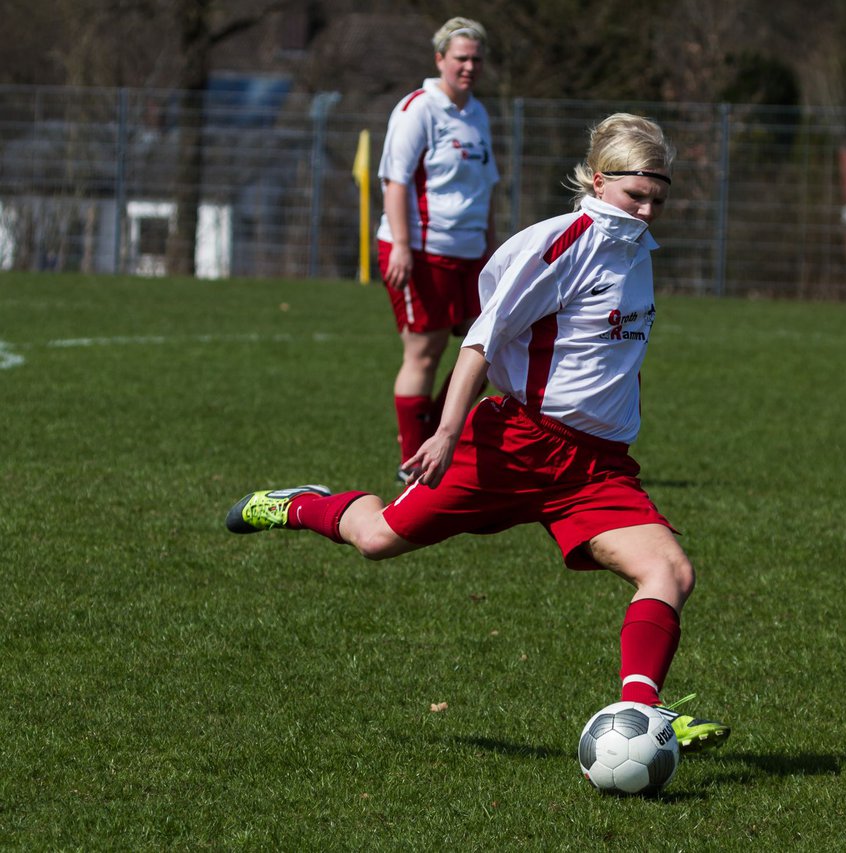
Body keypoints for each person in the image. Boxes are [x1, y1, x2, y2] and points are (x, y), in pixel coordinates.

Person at [226, 113, 730, 753]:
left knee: (669, 571)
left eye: (659, 197)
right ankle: (298, 503)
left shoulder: (636, 250)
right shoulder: (563, 244)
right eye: (637, 195)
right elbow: (481, 341)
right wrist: (443, 432)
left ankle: (644, 714)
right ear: (600, 181)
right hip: (516, 444)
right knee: (378, 540)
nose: (649, 209)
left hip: (596, 467)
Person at [377, 16, 500, 483]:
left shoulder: (478, 115)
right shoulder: (417, 109)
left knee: (488, 349)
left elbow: (486, 188)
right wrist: (403, 247)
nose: (469, 67)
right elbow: (396, 181)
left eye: (476, 59)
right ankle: (415, 460)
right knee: (424, 353)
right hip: (423, 251)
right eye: (460, 58)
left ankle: (433, 430)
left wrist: (492, 253)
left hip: (471, 254)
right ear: (440, 60)